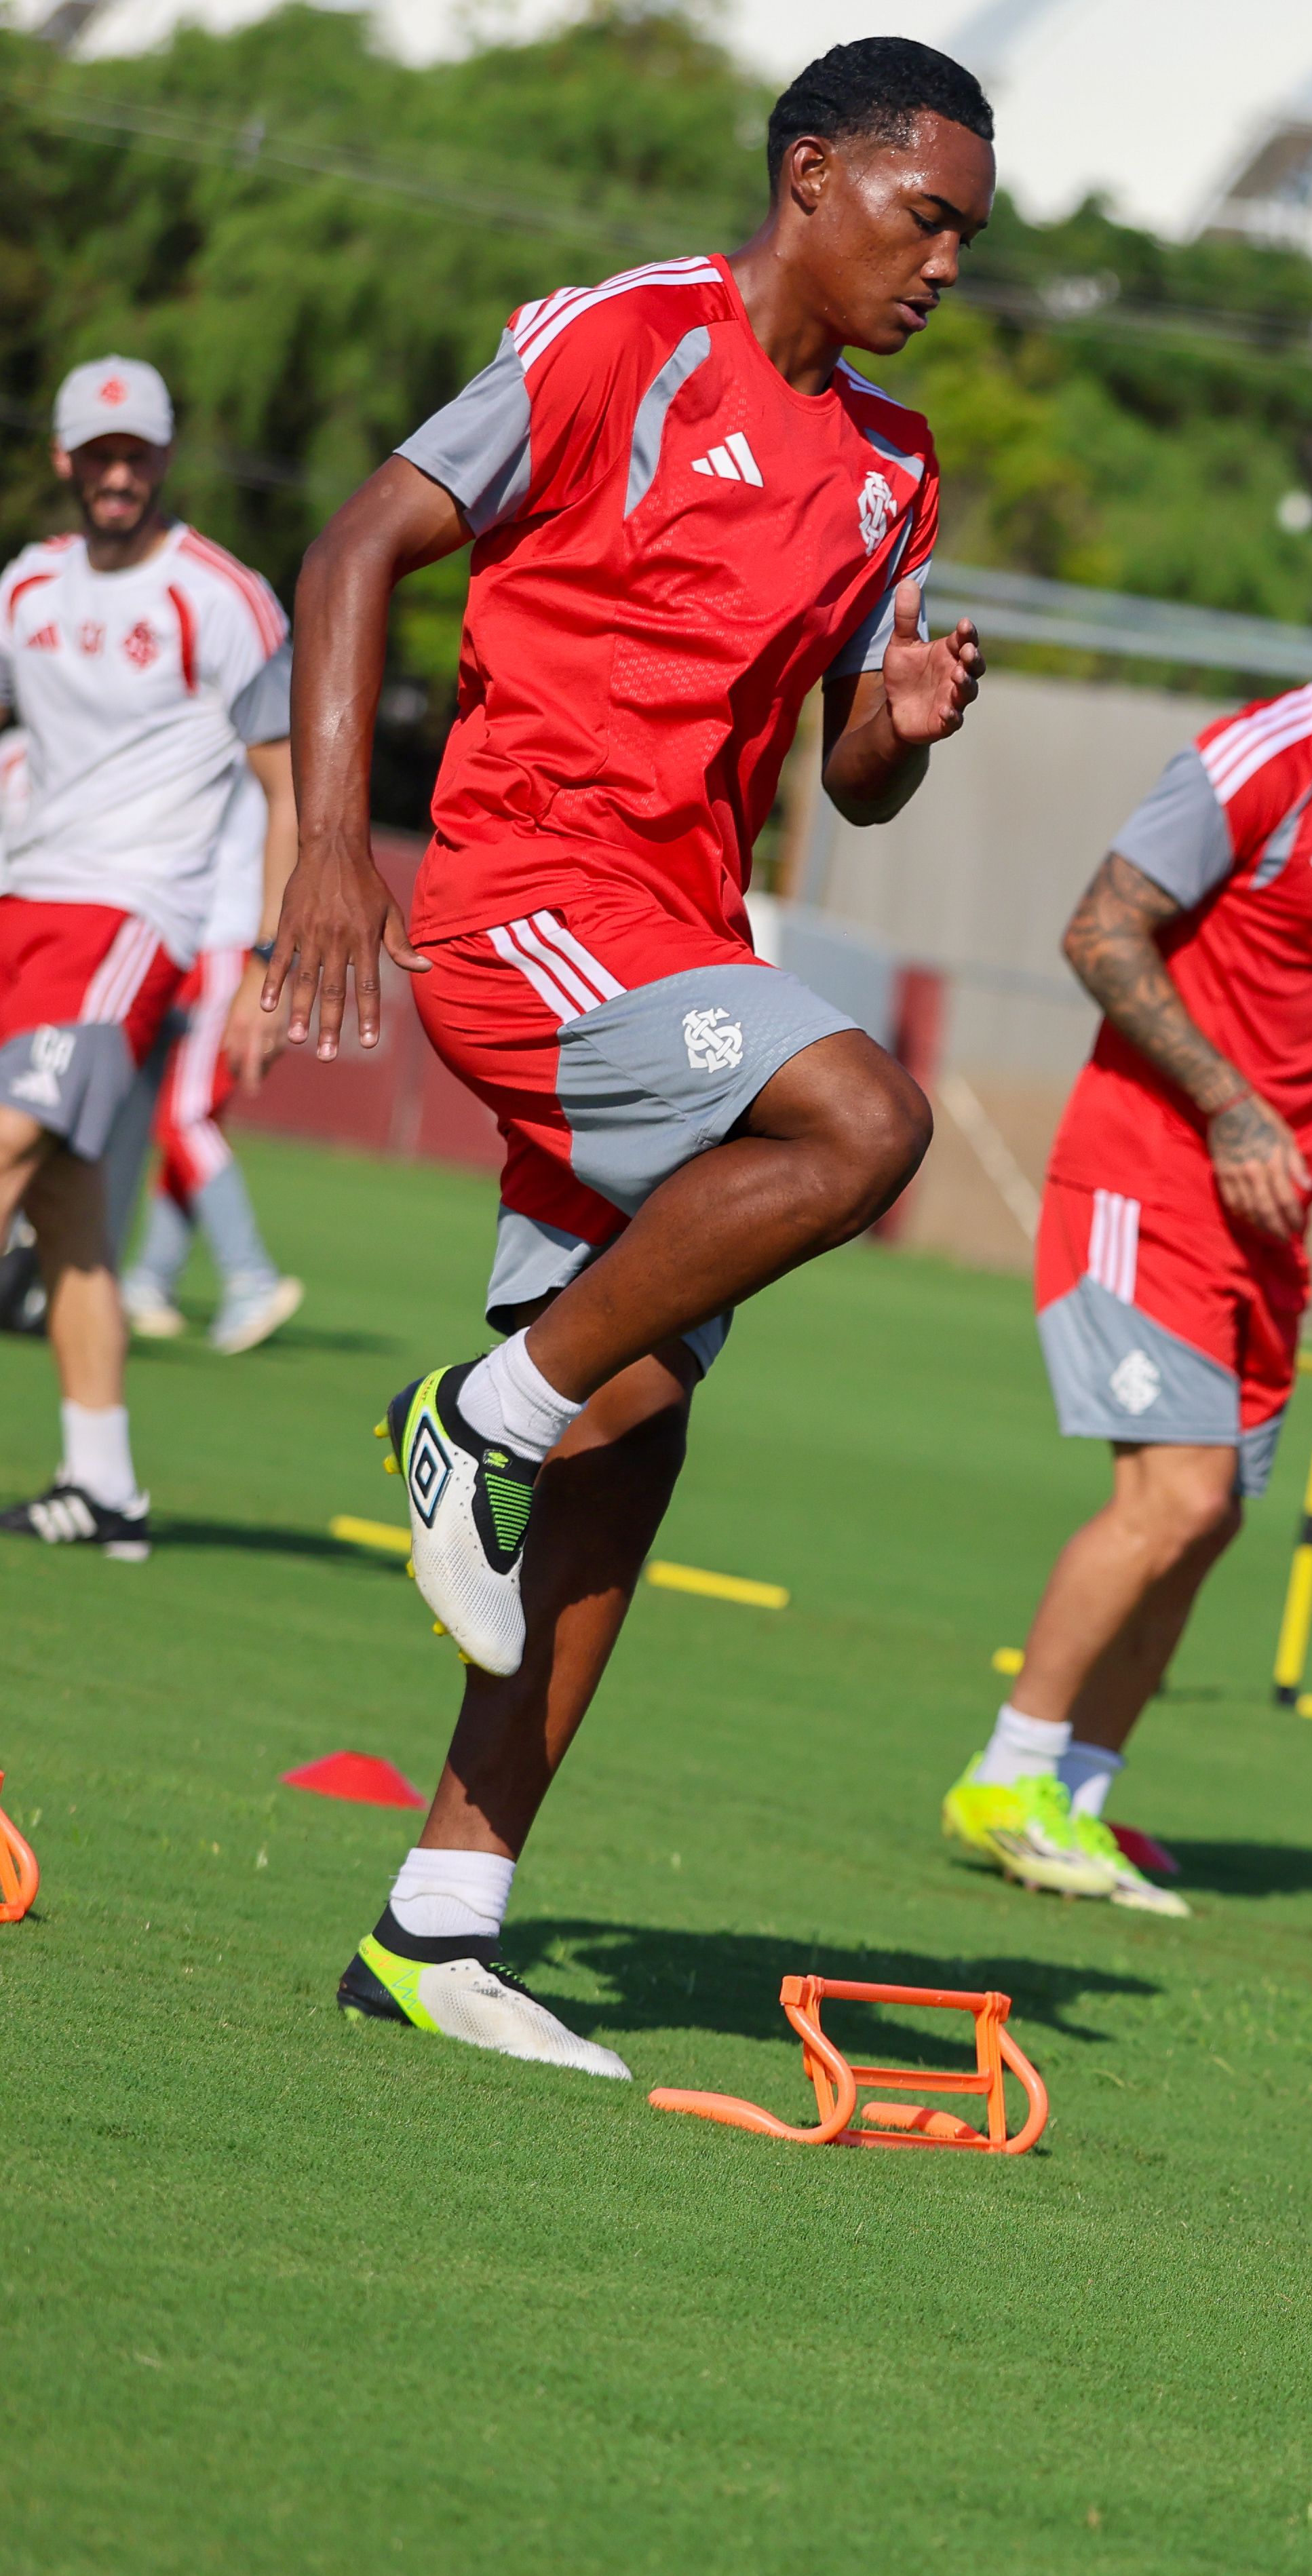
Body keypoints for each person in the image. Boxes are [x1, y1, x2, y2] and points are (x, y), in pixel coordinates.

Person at [268, 39, 992, 2079]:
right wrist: (328, 840)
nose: (947, 264)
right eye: (925, 216)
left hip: (682, 944)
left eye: (968, 234)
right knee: (866, 1116)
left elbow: (848, 779)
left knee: (639, 1421)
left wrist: (901, 720)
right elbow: (352, 548)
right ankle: (470, 1416)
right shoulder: (623, 340)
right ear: (810, 176)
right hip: (524, 901)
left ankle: (440, 1923)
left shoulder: (897, 465)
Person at [939, 515, 1312, 1915]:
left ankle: (1078, 1799)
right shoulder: (1261, 757)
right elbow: (1099, 930)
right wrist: (1230, 1106)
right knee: (1177, 1495)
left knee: (1208, 1525)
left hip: (1270, 1221)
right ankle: (1004, 1776)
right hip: (1142, 1178)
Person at [0, 355, 298, 1555]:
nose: (117, 474)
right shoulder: (26, 587)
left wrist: (269, 961)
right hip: (19, 899)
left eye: (137, 454)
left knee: (10, 1143)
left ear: (165, 457)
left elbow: (289, 786)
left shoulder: (223, 597)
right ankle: (105, 1488)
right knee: (67, 1206)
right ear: (66, 460)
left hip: (130, 920)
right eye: (98, 455)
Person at [122, 751, 304, 1351]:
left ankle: (250, 1277)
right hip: (210, 938)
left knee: (185, 1119)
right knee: (190, 1120)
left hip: (223, 940)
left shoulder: (241, 734)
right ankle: (151, 1279)